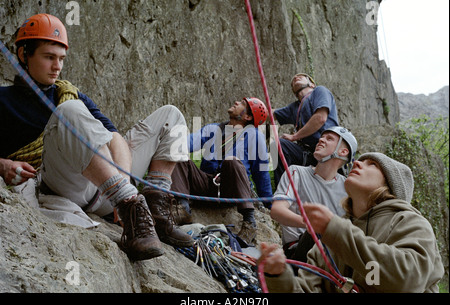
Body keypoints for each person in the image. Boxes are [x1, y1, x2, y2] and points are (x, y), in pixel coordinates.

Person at [0, 13, 194, 262]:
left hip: (108, 190)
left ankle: (154, 213)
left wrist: (124, 190)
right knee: (69, 112)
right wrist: (3, 164)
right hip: (62, 183)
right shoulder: (5, 100)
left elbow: (115, 140)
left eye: (61, 59)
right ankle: (129, 206)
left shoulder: (68, 92)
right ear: (23, 55)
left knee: (171, 116)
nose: (57, 66)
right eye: (49, 57)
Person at [259, 153, 444, 293]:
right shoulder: (327, 241)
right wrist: (277, 276)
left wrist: (336, 232)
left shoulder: (410, 223)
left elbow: (405, 280)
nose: (356, 163)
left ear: (390, 185)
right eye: (360, 161)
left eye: (372, 164)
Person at [170, 97, 273, 245]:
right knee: (179, 155)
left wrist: (268, 205)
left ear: (248, 117)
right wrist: (171, 143)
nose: (236, 102)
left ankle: (249, 223)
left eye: (243, 104)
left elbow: (261, 173)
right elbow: (189, 143)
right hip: (207, 184)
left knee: (232, 161)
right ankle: (183, 208)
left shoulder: (255, 136)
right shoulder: (214, 129)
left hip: (230, 189)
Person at [271, 126, 357, 262]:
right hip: (299, 251)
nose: (321, 140)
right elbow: (277, 210)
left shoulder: (348, 187)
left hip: (334, 255)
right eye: (322, 137)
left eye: (329, 139)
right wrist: (313, 225)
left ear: (343, 151)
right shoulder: (296, 173)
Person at [273, 73, 339, 186]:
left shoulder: (319, 91)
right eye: (293, 80)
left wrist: (294, 137)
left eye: (302, 77)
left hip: (328, 151)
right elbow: (270, 114)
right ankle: (282, 194)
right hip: (308, 154)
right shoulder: (295, 107)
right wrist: (248, 107)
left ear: (312, 84)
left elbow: (320, 118)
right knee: (278, 145)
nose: (295, 77)